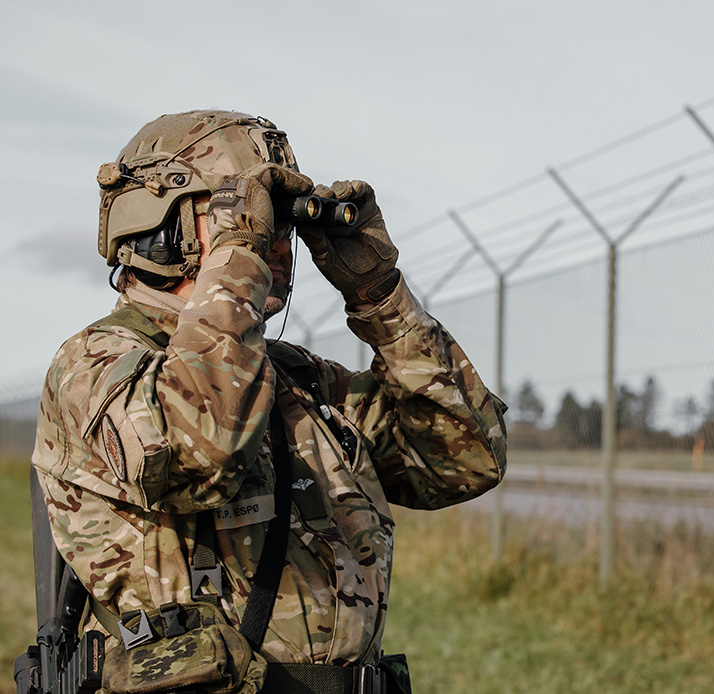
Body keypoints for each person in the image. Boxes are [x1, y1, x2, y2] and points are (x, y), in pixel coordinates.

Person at [30, 110, 508, 693]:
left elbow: (463, 460)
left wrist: (380, 295)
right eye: (245, 215)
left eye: (278, 226)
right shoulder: (94, 363)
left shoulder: (293, 379)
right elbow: (199, 448)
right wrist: (240, 256)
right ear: (168, 224)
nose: (274, 244)